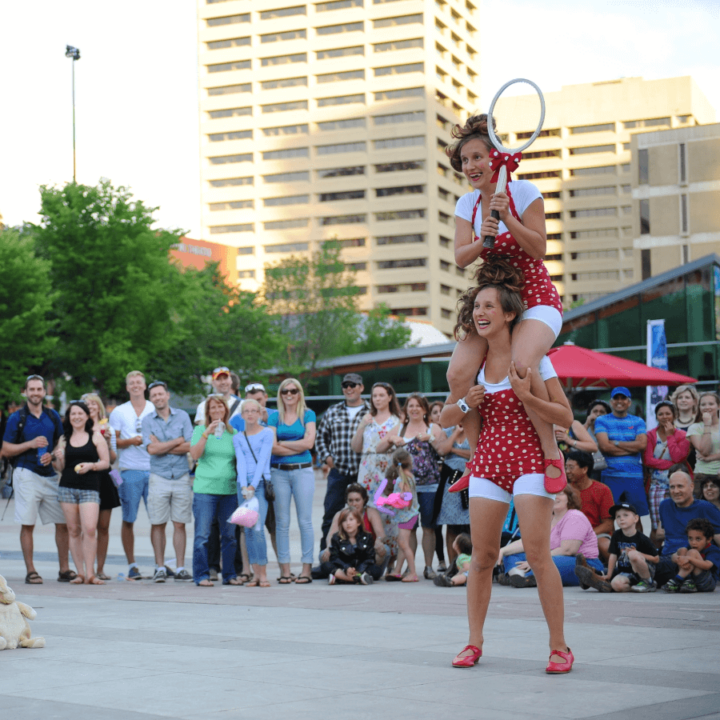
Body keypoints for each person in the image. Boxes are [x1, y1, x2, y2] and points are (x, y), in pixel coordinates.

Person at [442, 260, 575, 674]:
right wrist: (466, 403)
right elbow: (446, 418)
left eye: (489, 307)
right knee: (481, 557)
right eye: (476, 307)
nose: (480, 314)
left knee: (538, 555)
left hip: (530, 461)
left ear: (511, 313)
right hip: (487, 465)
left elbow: (566, 417)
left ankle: (559, 647)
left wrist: (527, 396)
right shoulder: (473, 368)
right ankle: (473, 642)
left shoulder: (534, 361)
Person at [443, 113, 566, 496]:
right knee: (459, 373)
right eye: (465, 160)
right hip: (494, 296)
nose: (470, 166)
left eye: (477, 157)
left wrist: (509, 218)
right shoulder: (467, 203)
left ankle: (551, 454)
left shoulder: (525, 191)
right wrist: (485, 237)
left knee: (522, 365)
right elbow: (463, 257)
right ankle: (477, 457)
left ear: (496, 158)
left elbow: (540, 248)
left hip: (534, 297)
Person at [1, 375, 71, 584]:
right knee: (28, 523)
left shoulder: (52, 415)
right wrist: (29, 444)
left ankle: (64, 569)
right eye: (31, 389)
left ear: (43, 392)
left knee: (62, 522)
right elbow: (5, 449)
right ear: (25, 392)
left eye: (39, 389)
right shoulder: (17, 418)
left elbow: (60, 441)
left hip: (49, 474)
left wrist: (55, 453)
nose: (35, 393)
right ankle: (31, 570)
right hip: (25, 473)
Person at [51, 401, 110, 585]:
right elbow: (60, 468)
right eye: (73, 414)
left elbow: (106, 462)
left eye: (80, 413)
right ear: (69, 418)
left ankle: (91, 573)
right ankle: (80, 573)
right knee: (73, 530)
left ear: (86, 416)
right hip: (67, 487)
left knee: (90, 529)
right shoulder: (64, 438)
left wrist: (91, 466)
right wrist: (58, 459)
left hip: (90, 488)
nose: (76, 417)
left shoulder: (95, 436)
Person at [500, 485, 604, 588]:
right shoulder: (547, 518)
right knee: (511, 554)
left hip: (582, 563)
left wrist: (535, 560)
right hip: (548, 557)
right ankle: (520, 578)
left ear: (569, 498)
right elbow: (529, 542)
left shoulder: (574, 516)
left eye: (560, 494)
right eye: (551, 495)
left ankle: (520, 576)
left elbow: (567, 550)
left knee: (550, 562)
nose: (555, 497)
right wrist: (502, 551)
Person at [142, 381, 194, 583]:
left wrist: (162, 445)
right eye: (154, 395)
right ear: (150, 398)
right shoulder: (147, 420)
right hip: (159, 477)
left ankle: (180, 567)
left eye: (160, 394)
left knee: (180, 524)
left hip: (181, 476)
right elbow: (151, 450)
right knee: (158, 524)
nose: (158, 398)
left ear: (168, 395)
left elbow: (190, 445)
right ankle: (160, 567)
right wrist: (177, 441)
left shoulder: (182, 416)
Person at [387, 393, 442, 579]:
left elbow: (444, 450)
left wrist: (432, 439)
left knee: (428, 527)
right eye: (410, 406)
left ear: (425, 409)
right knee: (408, 528)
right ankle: (410, 568)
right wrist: (391, 440)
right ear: (406, 409)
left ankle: (428, 567)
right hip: (406, 490)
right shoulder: (400, 428)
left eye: (418, 405)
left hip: (429, 486)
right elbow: (379, 446)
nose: (414, 409)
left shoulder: (433, 427)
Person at [315, 372, 370, 552]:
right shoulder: (333, 411)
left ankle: (364, 554)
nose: (348, 389)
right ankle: (327, 555)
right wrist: (327, 458)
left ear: (361, 388)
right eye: (345, 385)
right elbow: (320, 437)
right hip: (339, 472)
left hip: (363, 473)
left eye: (353, 385)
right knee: (331, 514)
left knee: (367, 515)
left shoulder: (370, 411)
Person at [109, 370, 155, 580]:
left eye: (139, 382)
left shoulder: (154, 407)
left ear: (145, 386)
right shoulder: (119, 411)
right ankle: (132, 564)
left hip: (155, 469)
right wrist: (131, 441)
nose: (136, 385)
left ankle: (160, 563)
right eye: (132, 383)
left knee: (158, 519)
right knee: (129, 518)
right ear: (127, 387)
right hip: (130, 470)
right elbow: (113, 442)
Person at [269, 378, 316, 585]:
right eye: (284, 391)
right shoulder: (274, 417)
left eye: (293, 390)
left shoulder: (308, 414)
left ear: (299, 393)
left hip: (302, 471)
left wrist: (284, 443)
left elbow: (309, 443)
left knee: (305, 521)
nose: (289, 394)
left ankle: (306, 568)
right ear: (280, 394)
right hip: (278, 472)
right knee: (282, 523)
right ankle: (285, 570)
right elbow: (272, 447)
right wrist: (298, 445)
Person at [190, 395, 240, 587]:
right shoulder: (200, 430)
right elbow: (194, 455)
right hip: (205, 489)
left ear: (225, 410)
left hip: (228, 489)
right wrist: (206, 434)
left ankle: (229, 574)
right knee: (202, 535)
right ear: (208, 411)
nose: (217, 410)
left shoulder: (233, 432)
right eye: (213, 408)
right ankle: (201, 575)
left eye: (220, 407)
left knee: (229, 535)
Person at [352, 381, 403, 561]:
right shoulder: (367, 418)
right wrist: (361, 427)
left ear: (390, 397)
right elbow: (356, 447)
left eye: (382, 395)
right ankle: (368, 553)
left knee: (388, 513)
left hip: (386, 470)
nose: (378, 399)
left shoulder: (397, 421)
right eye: (375, 396)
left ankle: (391, 557)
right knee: (367, 510)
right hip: (367, 470)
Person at [594, 387, 650, 533]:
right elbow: (605, 447)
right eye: (616, 398)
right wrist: (632, 447)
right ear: (611, 402)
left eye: (623, 398)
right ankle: (614, 548)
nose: (620, 401)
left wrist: (616, 443)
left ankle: (642, 545)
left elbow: (642, 445)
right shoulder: (602, 420)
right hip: (610, 475)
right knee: (610, 516)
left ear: (629, 402)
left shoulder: (638, 421)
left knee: (638, 515)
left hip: (634, 477)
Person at [655, 467, 720, 587]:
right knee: (640, 562)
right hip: (670, 558)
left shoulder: (706, 508)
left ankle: (682, 580)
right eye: (672, 487)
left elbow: (718, 537)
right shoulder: (665, 505)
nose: (676, 491)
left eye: (680, 486)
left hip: (695, 559)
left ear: (691, 487)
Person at [234, 399, 274, 587]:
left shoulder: (267, 433)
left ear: (259, 413)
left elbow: (262, 461)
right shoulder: (238, 437)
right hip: (243, 487)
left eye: (253, 411)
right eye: (246, 411)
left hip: (258, 485)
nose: (250, 414)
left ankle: (263, 572)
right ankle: (255, 574)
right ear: (242, 415)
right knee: (248, 530)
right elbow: (241, 462)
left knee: (257, 528)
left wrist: (252, 485)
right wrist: (243, 485)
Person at [82, 394, 120, 581]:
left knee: (103, 526)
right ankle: (85, 568)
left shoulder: (107, 427)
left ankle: (100, 568)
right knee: (86, 527)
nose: (90, 407)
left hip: (104, 477)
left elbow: (113, 458)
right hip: (85, 477)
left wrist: (107, 442)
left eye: (93, 404)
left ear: (99, 407)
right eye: (86, 404)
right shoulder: (79, 428)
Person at [581, 502, 659, 593]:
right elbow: (613, 556)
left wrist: (638, 553)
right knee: (616, 585)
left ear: (636, 518)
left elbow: (656, 559)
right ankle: (631, 587)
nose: (621, 519)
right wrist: (609, 575)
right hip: (626, 572)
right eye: (618, 516)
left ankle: (648, 583)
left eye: (626, 515)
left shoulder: (642, 538)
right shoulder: (616, 535)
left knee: (633, 554)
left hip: (644, 572)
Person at [316, 484, 387, 576]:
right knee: (323, 555)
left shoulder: (370, 512)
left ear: (364, 500)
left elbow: (381, 534)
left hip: (366, 553)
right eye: (351, 500)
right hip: (345, 553)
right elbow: (331, 535)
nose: (354, 504)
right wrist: (329, 548)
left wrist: (379, 541)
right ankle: (355, 575)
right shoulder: (340, 514)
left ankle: (341, 575)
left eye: (357, 500)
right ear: (346, 501)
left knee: (386, 550)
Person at [644, 401, 690, 536]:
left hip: (678, 481)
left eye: (668, 413)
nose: (664, 417)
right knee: (656, 522)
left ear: (674, 415)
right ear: (656, 416)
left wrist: (670, 435)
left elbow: (679, 458)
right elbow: (648, 460)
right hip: (656, 484)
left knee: (680, 517)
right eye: (660, 414)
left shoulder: (682, 435)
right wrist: (671, 464)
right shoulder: (650, 435)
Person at [565, 450, 614, 561]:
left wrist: (587, 535)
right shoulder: (565, 490)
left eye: (571, 467)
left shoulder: (602, 490)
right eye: (566, 467)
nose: (567, 471)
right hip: (569, 534)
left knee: (605, 546)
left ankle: (617, 572)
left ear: (584, 469)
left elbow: (608, 525)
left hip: (595, 533)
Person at [433, 424, 471, 565]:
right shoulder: (446, 432)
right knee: (451, 526)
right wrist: (456, 433)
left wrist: (453, 450)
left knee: (472, 525)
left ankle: (472, 565)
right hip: (451, 483)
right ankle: (453, 566)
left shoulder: (475, 428)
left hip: (471, 480)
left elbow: (475, 453)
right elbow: (442, 450)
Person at [384, 449, 421, 583]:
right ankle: (397, 570)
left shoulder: (401, 480)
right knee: (402, 543)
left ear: (394, 465)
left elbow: (407, 499)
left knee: (404, 544)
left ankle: (413, 572)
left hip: (406, 516)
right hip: (410, 515)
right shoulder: (409, 476)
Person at [322, 507, 380, 585]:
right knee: (326, 565)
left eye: (351, 520)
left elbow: (370, 558)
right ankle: (357, 579)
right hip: (344, 568)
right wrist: (347, 568)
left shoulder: (367, 536)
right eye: (344, 521)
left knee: (376, 570)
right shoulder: (336, 537)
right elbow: (335, 558)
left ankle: (340, 579)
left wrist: (358, 570)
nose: (348, 523)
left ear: (358, 522)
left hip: (361, 568)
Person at [663, 518, 720, 593]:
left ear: (708, 539)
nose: (693, 542)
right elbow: (673, 556)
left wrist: (689, 559)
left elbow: (707, 565)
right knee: (682, 550)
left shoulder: (713, 550)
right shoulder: (689, 547)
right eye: (690, 538)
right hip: (693, 580)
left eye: (698, 539)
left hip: (706, 583)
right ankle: (687, 580)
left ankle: (677, 580)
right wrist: (678, 558)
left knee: (693, 552)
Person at [686, 392, 720, 497]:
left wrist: (711, 458)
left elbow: (707, 456)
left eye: (711, 404)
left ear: (718, 406)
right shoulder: (695, 427)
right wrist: (707, 425)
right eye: (703, 404)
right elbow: (704, 451)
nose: (707, 407)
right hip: (702, 475)